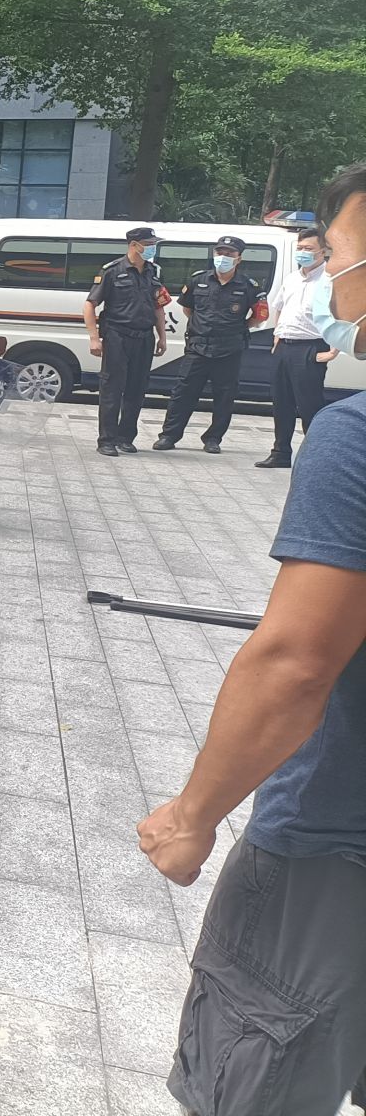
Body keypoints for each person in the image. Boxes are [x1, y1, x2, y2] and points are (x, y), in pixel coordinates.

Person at [137, 166, 366, 1116]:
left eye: (332, 253)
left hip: (336, 851)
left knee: (256, 1088)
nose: (325, 274)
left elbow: (295, 662)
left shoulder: (357, 439)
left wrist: (195, 813)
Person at [152, 235, 268, 454]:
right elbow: (188, 308)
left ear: (239, 258)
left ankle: (213, 439)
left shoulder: (248, 286)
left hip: (229, 349)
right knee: (182, 393)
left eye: (229, 253)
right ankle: (169, 436)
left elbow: (260, 315)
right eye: (220, 252)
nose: (223, 257)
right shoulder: (198, 280)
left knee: (224, 397)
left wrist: (239, 328)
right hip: (198, 347)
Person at [84, 225, 168, 457]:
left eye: (154, 245)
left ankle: (126, 438)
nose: (152, 249)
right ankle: (106, 440)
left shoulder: (154, 272)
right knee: (112, 389)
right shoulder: (112, 271)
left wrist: (162, 336)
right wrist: (94, 338)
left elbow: (159, 306)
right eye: (149, 245)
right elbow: (90, 304)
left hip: (144, 337)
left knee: (137, 389)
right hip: (117, 336)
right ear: (134, 245)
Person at [256, 226, 336, 469]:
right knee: (281, 403)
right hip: (284, 346)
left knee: (310, 405)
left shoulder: (331, 279)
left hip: (311, 348)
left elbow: (342, 316)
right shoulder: (292, 278)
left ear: (323, 251)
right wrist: (277, 336)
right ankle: (280, 453)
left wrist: (333, 351)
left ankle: (315, 458)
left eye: (309, 248)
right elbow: (280, 307)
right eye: (300, 248)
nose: (303, 252)